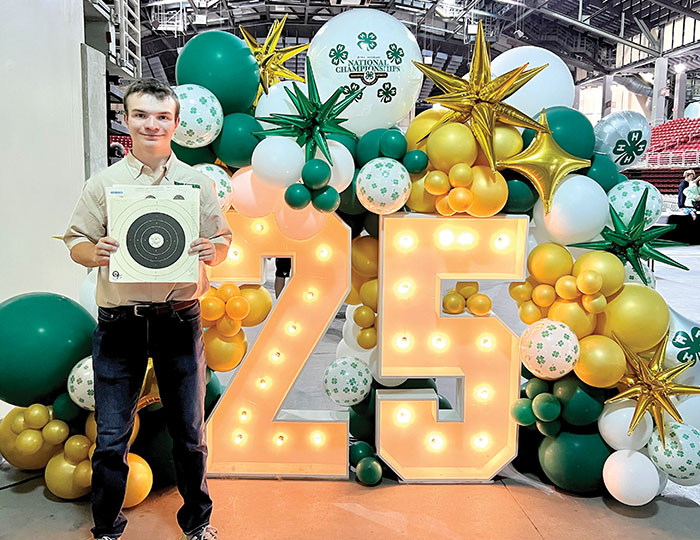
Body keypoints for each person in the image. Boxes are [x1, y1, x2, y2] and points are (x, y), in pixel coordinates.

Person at [63, 79, 231, 540]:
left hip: (180, 318)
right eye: (141, 115)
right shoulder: (104, 184)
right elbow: (76, 241)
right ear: (126, 119)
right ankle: (107, 528)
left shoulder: (196, 183)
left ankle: (197, 523)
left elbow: (222, 240)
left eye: (161, 117)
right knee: (111, 436)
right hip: (121, 323)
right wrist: (93, 252)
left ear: (175, 124)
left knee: (190, 433)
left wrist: (213, 250)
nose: (151, 124)